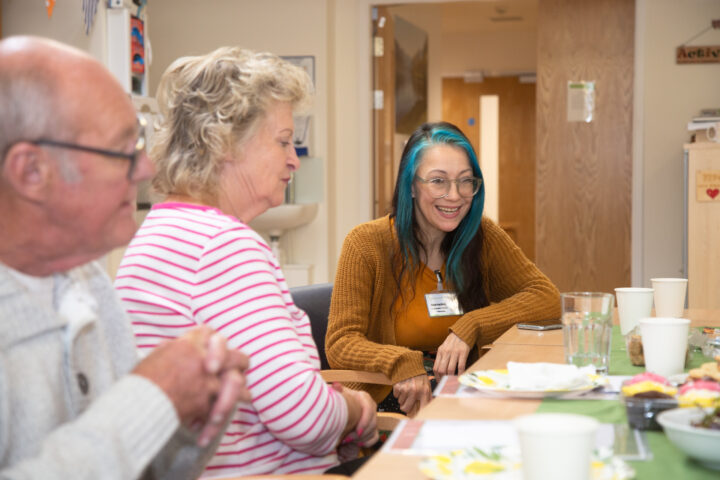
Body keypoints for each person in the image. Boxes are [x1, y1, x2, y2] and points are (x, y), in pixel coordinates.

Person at [114, 46, 378, 477]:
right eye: (282, 141)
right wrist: (355, 406)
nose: (294, 158)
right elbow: (303, 418)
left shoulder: (155, 234)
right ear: (225, 143)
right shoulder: (222, 245)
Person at [0, 36, 251, 479]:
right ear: (31, 172)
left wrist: (189, 418)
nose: (147, 169)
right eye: (122, 151)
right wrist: (153, 397)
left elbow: (137, 467)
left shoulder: (88, 283)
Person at [326, 121, 561, 416]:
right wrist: (400, 362)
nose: (455, 195)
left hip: (467, 393)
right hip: (393, 400)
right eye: (438, 181)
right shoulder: (365, 244)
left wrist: (471, 326)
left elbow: (546, 297)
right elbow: (340, 342)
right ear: (411, 186)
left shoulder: (482, 236)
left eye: (465, 181)